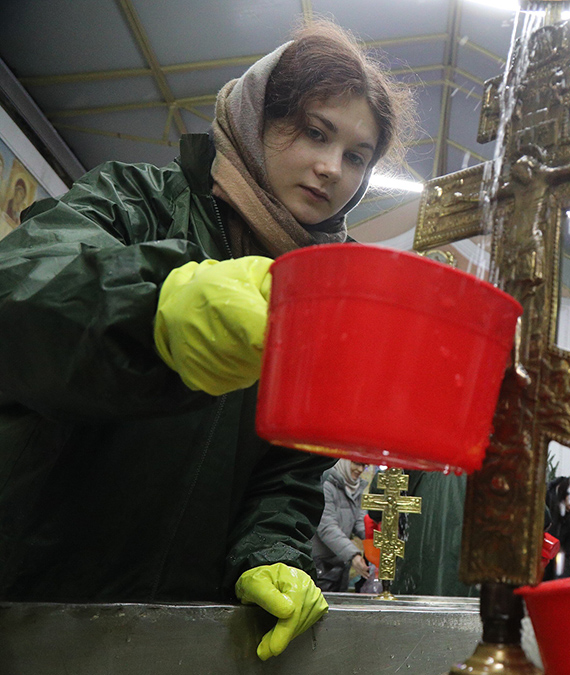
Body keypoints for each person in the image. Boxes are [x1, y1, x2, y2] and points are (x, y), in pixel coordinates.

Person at [0, 21, 413, 661]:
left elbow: (289, 473)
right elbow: (21, 295)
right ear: (257, 117)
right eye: (315, 132)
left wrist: (270, 552)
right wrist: (155, 310)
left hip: (185, 634)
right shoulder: (133, 200)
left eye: (357, 156)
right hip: (31, 603)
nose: (332, 168)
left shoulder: (322, 299)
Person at [312, 460, 372, 592]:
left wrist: (375, 540)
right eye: (357, 463)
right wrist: (353, 555)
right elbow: (326, 527)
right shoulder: (326, 485)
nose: (360, 469)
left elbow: (359, 522)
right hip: (320, 565)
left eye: (364, 465)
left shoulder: (356, 487)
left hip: (341, 563)